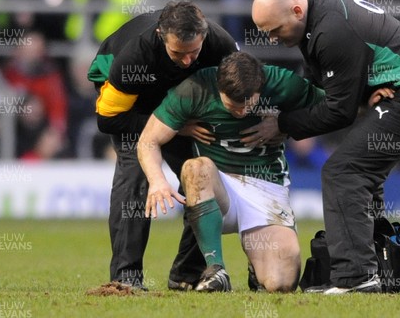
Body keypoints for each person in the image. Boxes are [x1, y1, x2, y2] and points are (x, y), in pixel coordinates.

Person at [249, 0, 400, 294]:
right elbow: (332, 92)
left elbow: (338, 112)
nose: (271, 38)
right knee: (361, 173)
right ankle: (382, 269)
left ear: (296, 10)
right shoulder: (318, 16)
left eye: (274, 29)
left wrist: (283, 125)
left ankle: (356, 278)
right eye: (264, 31)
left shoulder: (331, 31)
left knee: (344, 172)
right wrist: (363, 97)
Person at [138, 51, 325, 292]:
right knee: (195, 168)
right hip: (219, 185)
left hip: (266, 187)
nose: (241, 112)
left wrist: (285, 123)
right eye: (233, 106)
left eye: (248, 105)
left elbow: (332, 107)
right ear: (219, 87)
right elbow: (148, 141)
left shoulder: (282, 83)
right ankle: (216, 270)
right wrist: (157, 181)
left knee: (282, 283)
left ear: (261, 86)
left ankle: (255, 268)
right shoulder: (195, 88)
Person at [88, 0, 238, 290]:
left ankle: (187, 274)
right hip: (132, 106)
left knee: (203, 174)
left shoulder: (222, 47)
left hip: (182, 105)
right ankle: (126, 277)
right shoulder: (134, 56)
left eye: (194, 52)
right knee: (135, 173)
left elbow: (239, 95)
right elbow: (109, 121)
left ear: (204, 37)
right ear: (160, 35)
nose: (187, 61)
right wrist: (176, 128)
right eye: (178, 53)